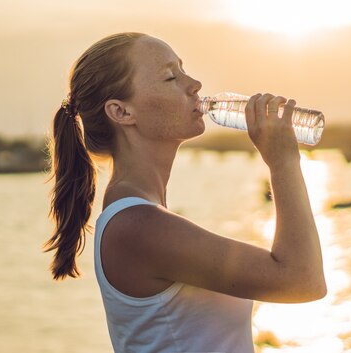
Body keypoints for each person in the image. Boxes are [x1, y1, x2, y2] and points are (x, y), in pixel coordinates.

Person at [44, 32, 326, 353]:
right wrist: (283, 161)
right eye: (170, 77)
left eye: (183, 69)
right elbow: (302, 281)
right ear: (122, 112)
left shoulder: (143, 215)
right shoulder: (136, 226)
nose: (194, 84)